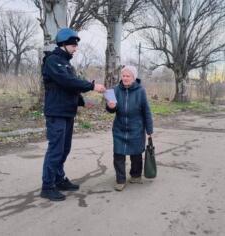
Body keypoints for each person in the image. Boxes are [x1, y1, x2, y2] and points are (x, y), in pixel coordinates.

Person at [40, 28, 106, 201]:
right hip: (56, 113)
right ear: (63, 43)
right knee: (56, 149)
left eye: (76, 44)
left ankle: (59, 179)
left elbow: (69, 89)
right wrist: (92, 86)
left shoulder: (67, 63)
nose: (76, 48)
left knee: (64, 149)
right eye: (73, 44)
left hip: (67, 112)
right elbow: (67, 82)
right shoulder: (53, 61)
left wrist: (83, 102)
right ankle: (47, 186)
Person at [106, 65, 153, 191]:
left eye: (128, 76)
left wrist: (149, 130)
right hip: (119, 127)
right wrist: (110, 107)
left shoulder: (141, 91)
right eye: (123, 76)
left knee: (136, 153)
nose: (125, 78)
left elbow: (146, 111)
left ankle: (136, 175)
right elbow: (111, 110)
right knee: (118, 154)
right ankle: (120, 180)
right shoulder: (114, 90)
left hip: (136, 127)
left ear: (134, 78)